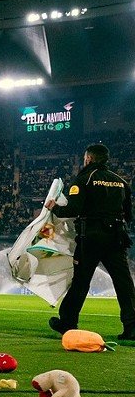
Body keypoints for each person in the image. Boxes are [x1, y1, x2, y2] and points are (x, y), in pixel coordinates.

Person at [45, 143, 135, 340]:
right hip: (117, 238)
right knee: (124, 283)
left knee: (81, 282)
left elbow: (72, 210)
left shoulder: (84, 179)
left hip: (91, 238)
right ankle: (132, 326)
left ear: (89, 159)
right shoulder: (121, 182)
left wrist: (54, 207)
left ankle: (68, 322)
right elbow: (129, 214)